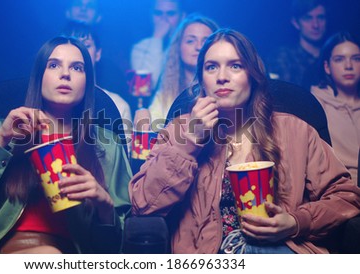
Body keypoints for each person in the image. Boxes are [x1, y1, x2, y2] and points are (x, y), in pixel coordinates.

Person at [129, 28, 360, 254]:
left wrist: (295, 222)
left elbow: (346, 197)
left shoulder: (295, 130)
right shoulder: (178, 130)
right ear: (202, 80)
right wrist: (189, 140)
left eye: (235, 66)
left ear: (253, 75)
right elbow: (143, 204)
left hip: (278, 252)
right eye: (211, 67)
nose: (222, 77)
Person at [0, 36, 132, 254]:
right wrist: (0, 140)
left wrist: (103, 203)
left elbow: (118, 245)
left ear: (87, 82)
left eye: (77, 68)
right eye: (54, 65)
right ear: (39, 77)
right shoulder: (3, 132)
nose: (65, 74)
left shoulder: (107, 146)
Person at [60, 20, 132, 144]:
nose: (78, 51)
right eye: (73, 45)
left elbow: (122, 160)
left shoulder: (118, 105)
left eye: (86, 45)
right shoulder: (48, 102)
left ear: (98, 54)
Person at [148, 13, 218, 125]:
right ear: (178, 47)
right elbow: (154, 131)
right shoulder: (166, 93)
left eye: (205, 42)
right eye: (190, 41)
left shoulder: (223, 89)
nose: (198, 47)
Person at [310, 31, 360, 185]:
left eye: (356, 59)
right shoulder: (315, 105)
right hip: (341, 190)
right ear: (327, 67)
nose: (348, 66)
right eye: (339, 60)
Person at [267, 0, 327, 87]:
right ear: (295, 23)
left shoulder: (332, 55)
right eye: (308, 18)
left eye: (321, 17)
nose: (315, 25)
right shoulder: (283, 56)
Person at [130, 0, 185, 89]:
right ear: (151, 16)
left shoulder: (190, 46)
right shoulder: (140, 47)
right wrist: (157, 38)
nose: (164, 19)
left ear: (182, 16)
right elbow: (144, 86)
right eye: (158, 13)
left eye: (170, 14)